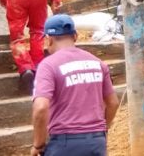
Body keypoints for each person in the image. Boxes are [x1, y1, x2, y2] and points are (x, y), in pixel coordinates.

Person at [31, 14, 120, 156]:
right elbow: (113, 103)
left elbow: (41, 107)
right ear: (75, 36)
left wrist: (38, 145)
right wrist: (101, 131)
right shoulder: (98, 63)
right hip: (96, 142)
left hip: (65, 144)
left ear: (48, 40)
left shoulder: (48, 65)